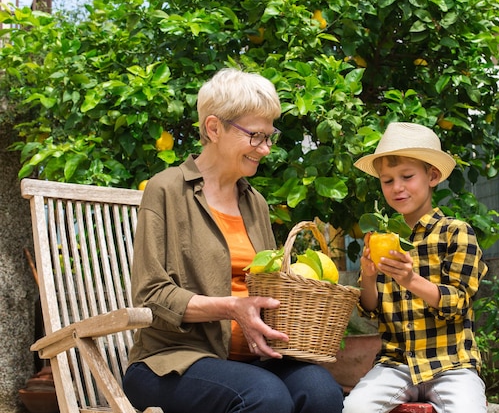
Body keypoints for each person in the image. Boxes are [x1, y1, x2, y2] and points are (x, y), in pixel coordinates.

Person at [122, 67, 344, 413]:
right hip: (171, 361)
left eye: (270, 136)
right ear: (214, 128)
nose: (266, 149)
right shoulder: (165, 189)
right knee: (264, 395)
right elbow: (151, 294)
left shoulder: (254, 201)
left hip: (251, 361)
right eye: (255, 136)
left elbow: (270, 285)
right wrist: (231, 307)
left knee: (321, 392)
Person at [343, 122, 488, 413]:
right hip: (396, 364)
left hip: (451, 364)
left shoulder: (456, 233)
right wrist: (369, 278)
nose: (397, 188)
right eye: (387, 180)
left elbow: (458, 302)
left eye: (407, 177)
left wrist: (410, 279)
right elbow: (369, 309)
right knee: (353, 409)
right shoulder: (381, 238)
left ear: (432, 175)